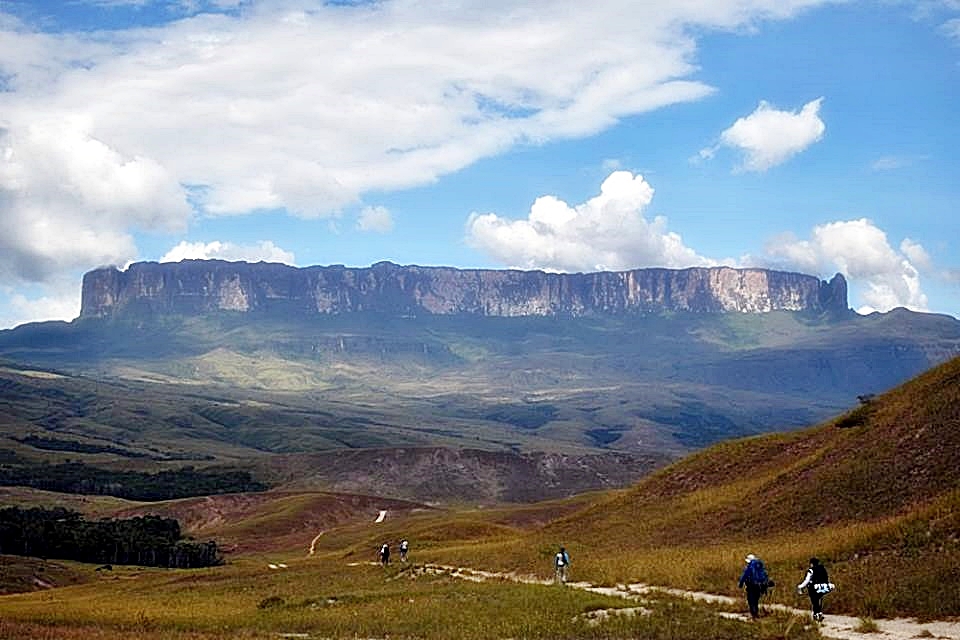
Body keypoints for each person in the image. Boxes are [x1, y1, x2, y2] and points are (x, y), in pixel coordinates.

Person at [797, 557, 832, 622]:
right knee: (819, 600)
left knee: (814, 601)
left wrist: (800, 586)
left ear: (811, 563)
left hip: (813, 588)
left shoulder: (811, 570)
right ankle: (819, 613)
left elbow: (807, 580)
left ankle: (817, 614)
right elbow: (826, 578)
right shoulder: (822, 569)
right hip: (823, 587)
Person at [738, 553, 768, 619]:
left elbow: (744, 576)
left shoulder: (749, 567)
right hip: (760, 585)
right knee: (756, 600)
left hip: (751, 585)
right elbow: (765, 574)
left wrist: (740, 584)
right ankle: (756, 613)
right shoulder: (760, 566)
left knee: (751, 600)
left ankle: (754, 614)